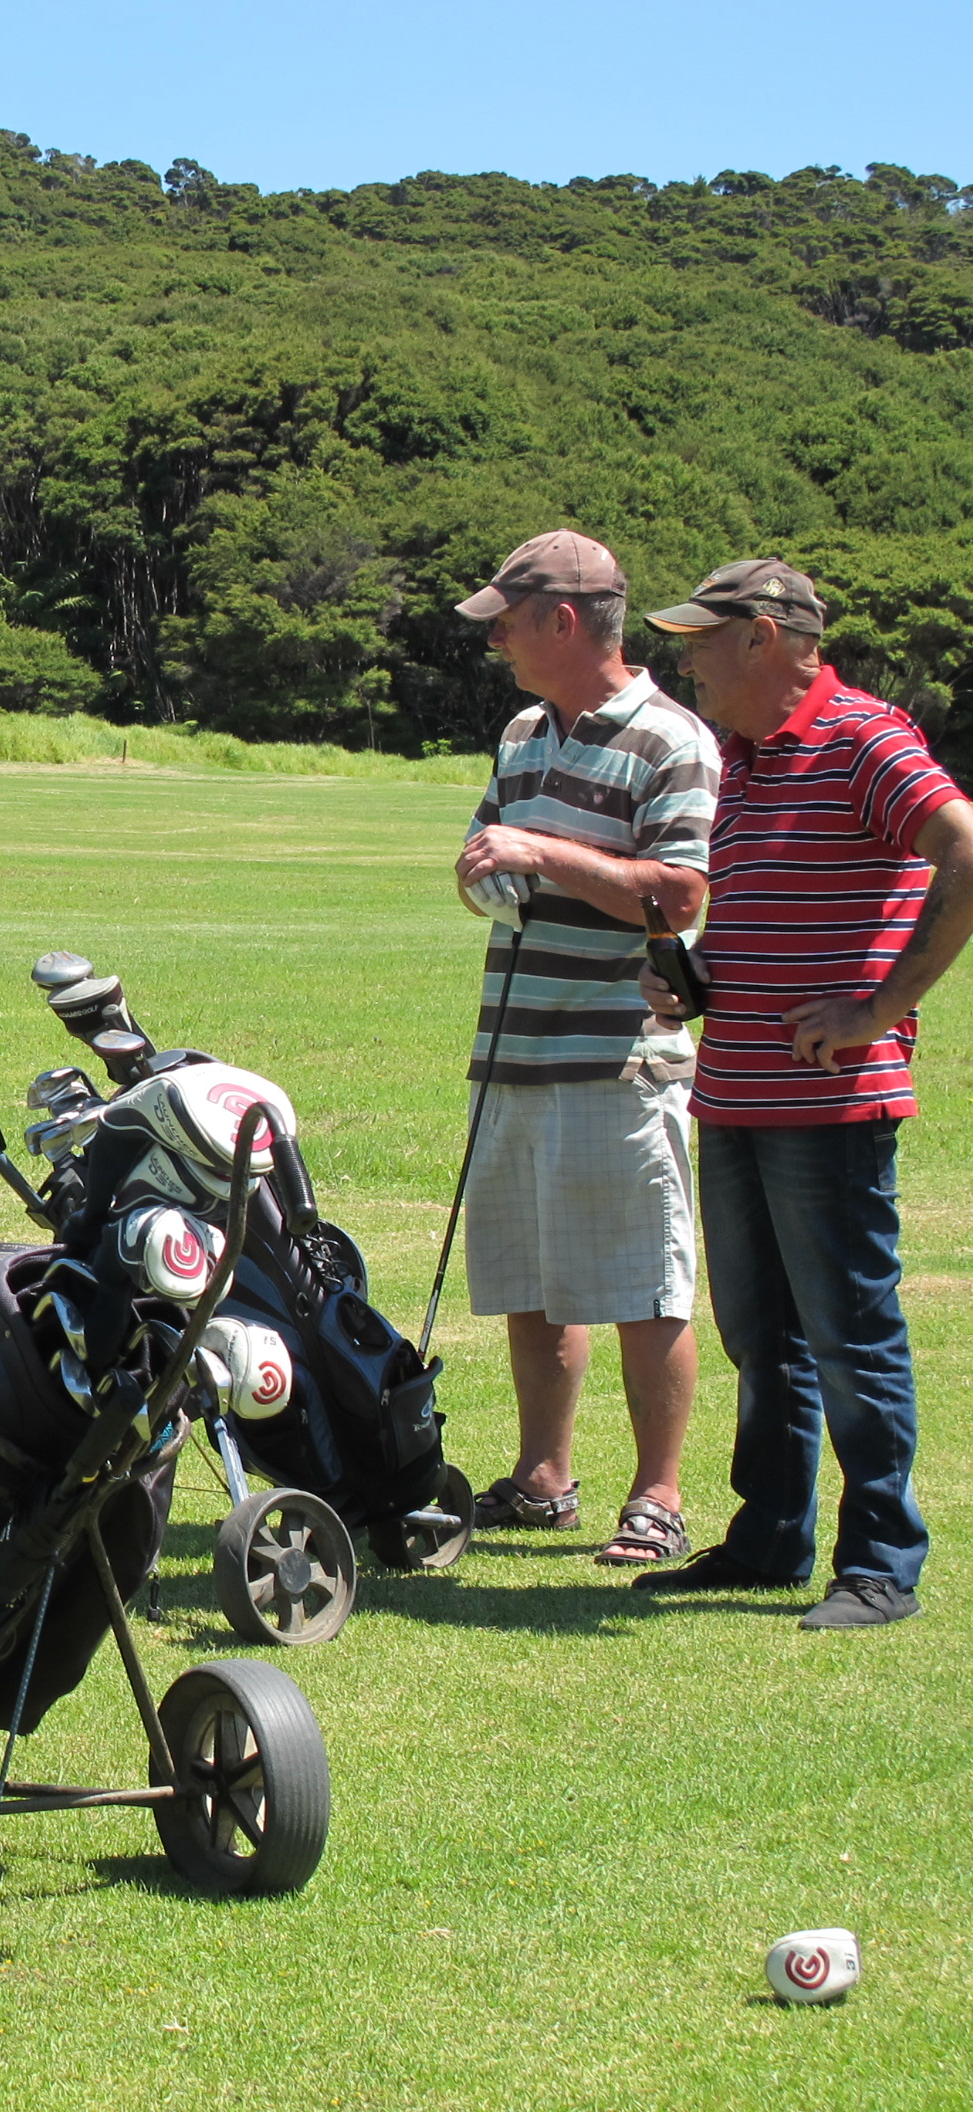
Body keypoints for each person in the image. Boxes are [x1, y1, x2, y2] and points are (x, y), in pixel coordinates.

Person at [633, 560, 972, 1628]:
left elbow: (964, 848)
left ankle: (879, 1564)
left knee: (848, 1337)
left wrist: (878, 1010)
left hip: (829, 1104)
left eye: (701, 641)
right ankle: (769, 1538)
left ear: (763, 637)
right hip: (733, 1093)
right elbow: (763, 912)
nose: (688, 663)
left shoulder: (863, 737)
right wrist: (692, 979)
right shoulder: (736, 762)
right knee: (760, 1337)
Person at [449, 532, 720, 1568]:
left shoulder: (670, 740)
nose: (496, 644)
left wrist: (539, 854)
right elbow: (483, 858)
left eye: (507, 624)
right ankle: (542, 1479)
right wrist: (485, 870)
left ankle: (658, 1497)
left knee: (642, 1286)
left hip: (618, 1059)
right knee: (530, 1282)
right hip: (513, 1048)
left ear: (562, 621)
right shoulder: (521, 733)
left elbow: (678, 895)